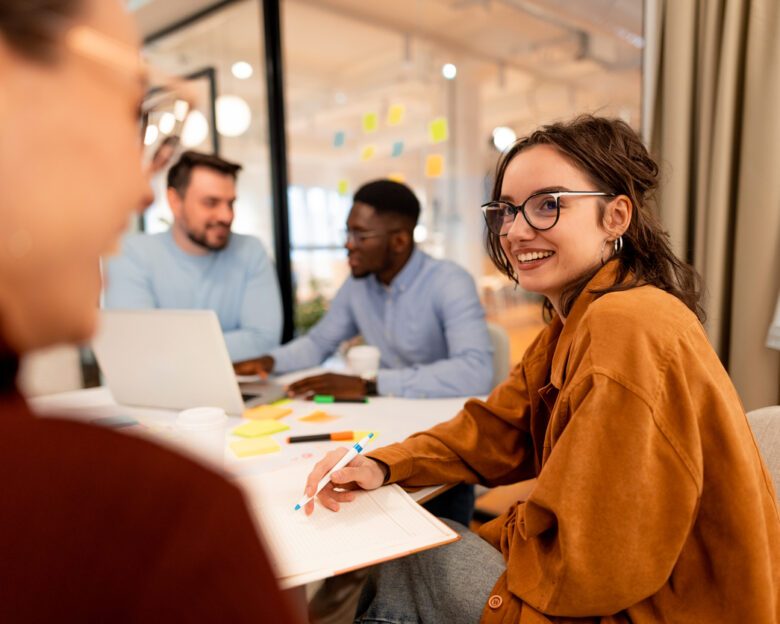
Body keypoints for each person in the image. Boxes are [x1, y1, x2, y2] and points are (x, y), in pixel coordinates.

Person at [301, 116, 780, 623]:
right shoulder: (578, 318)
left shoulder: (626, 325)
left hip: (651, 607)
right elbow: (497, 427)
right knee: (417, 544)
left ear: (616, 216)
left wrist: (488, 536)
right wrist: (384, 463)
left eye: (548, 205)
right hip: (622, 586)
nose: (515, 230)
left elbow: (591, 561)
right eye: (505, 211)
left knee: (407, 557)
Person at [0, 1, 300, 621]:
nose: (134, 186)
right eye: (127, 116)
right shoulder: (161, 517)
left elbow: (260, 335)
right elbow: (135, 335)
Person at [234, 178, 494, 400]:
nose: (348, 245)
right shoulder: (358, 284)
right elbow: (318, 343)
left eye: (361, 235)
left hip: (444, 415)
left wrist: (369, 384)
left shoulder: (450, 282)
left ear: (400, 240)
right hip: (391, 411)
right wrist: (269, 362)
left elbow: (475, 372)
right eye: (347, 233)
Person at [104, 150, 282, 362]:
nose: (227, 216)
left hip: (236, 387)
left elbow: (264, 340)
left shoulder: (251, 250)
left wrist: (169, 349)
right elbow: (136, 345)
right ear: (175, 201)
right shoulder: (132, 254)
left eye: (230, 203)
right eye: (210, 202)